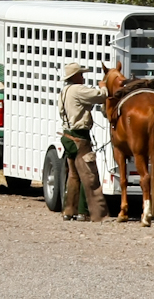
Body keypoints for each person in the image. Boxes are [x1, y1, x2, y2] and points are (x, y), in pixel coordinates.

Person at [59, 62, 110, 222]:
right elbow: (100, 96)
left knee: (73, 175)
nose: (82, 77)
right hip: (80, 136)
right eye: (80, 74)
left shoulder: (65, 91)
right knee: (88, 175)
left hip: (67, 135)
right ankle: (85, 212)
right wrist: (104, 86)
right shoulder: (78, 90)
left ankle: (69, 211)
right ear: (75, 76)